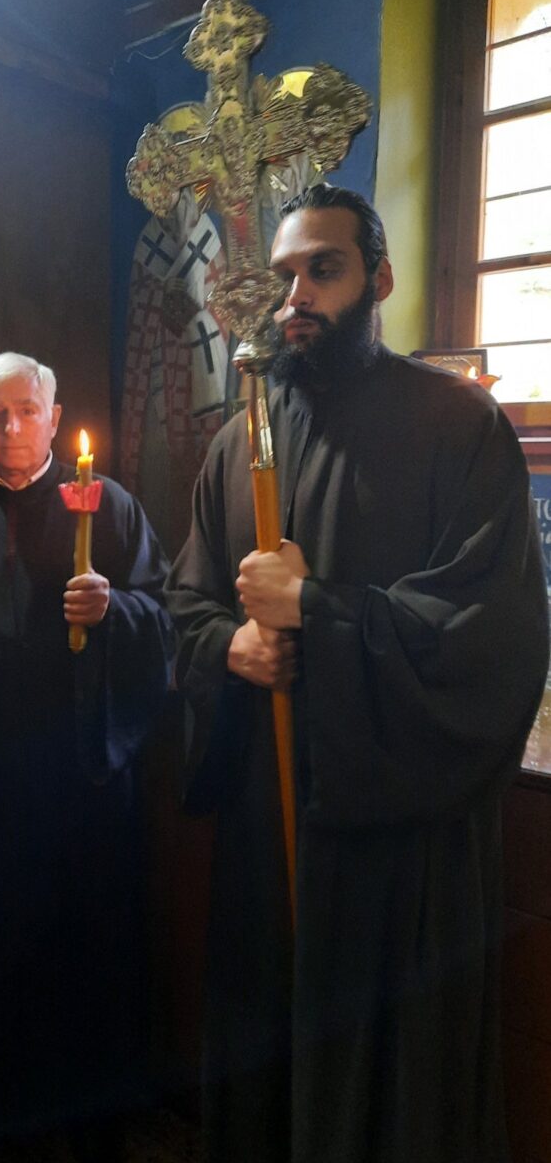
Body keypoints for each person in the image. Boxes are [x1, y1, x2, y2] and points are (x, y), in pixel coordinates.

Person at [165, 185, 549, 1163]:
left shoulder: (459, 426)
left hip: (396, 849)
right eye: (285, 275)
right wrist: (234, 649)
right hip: (270, 826)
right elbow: (186, 608)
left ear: (379, 281)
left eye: (324, 269)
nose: (297, 294)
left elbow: (489, 635)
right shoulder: (239, 441)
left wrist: (318, 609)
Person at [0, 352, 173, 1159]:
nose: (12, 427)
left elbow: (165, 615)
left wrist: (115, 609)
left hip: (82, 774)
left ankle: (90, 1122)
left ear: (55, 418)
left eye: (27, 410)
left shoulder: (109, 506)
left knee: (87, 953)